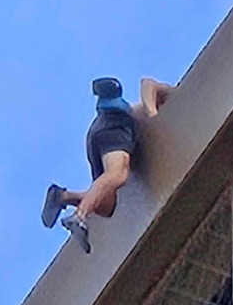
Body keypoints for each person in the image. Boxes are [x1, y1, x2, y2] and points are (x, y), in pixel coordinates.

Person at [40, 77, 174, 253]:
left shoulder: (126, 109)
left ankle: (63, 196)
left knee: (106, 206)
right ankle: (79, 217)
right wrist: (152, 113)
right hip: (114, 128)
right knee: (117, 174)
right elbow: (147, 83)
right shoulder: (158, 99)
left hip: (99, 132)